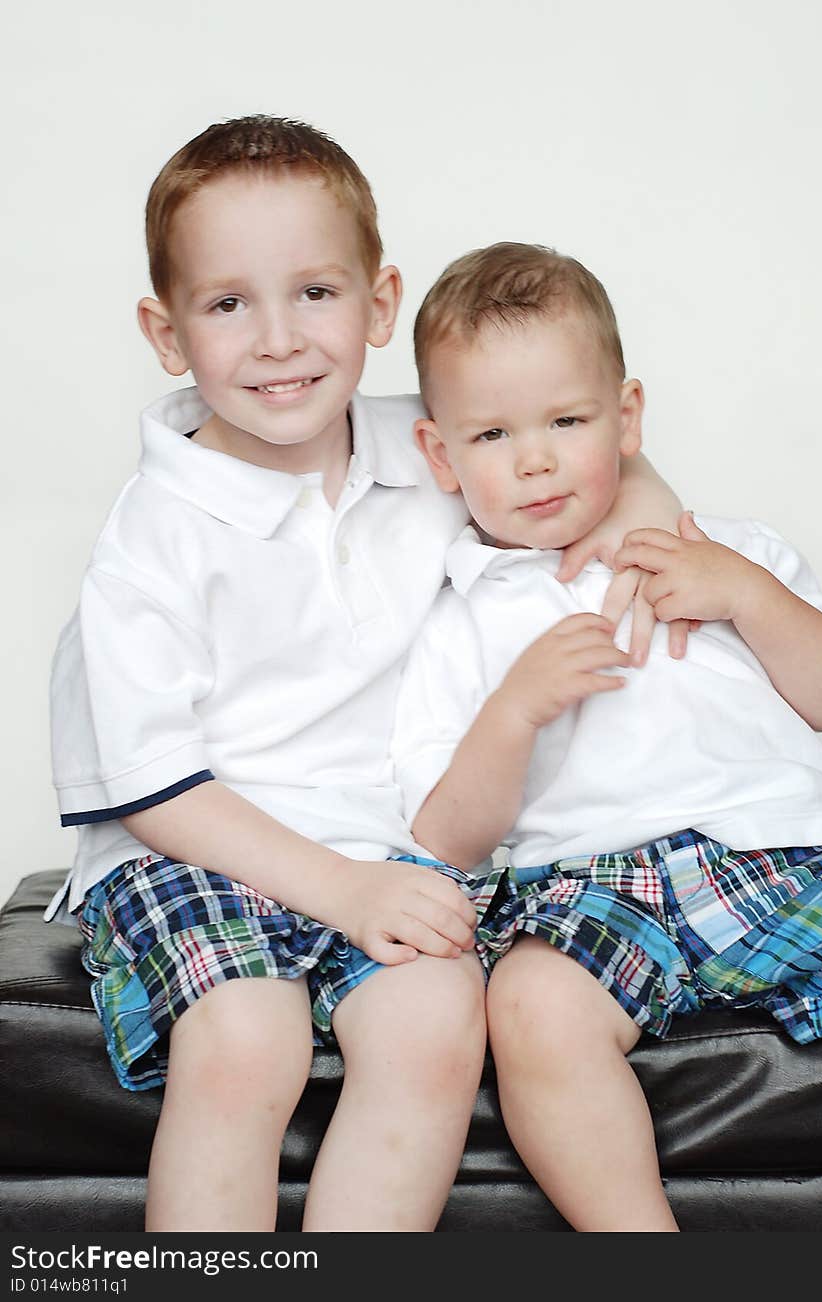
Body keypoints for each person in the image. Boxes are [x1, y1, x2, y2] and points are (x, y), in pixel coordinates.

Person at [48, 119, 681, 1233]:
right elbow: (154, 790)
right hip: (198, 838)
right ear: (165, 330)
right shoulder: (153, 535)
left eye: (317, 293)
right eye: (229, 303)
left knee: (438, 1023)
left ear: (380, 306)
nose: (280, 339)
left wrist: (655, 531)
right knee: (247, 1036)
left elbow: (589, 464)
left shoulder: (433, 454)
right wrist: (339, 892)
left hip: (381, 841)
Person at [392, 241, 822, 1232]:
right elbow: (446, 837)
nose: (533, 459)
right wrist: (513, 711)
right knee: (531, 1006)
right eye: (490, 434)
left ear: (627, 418)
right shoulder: (460, 616)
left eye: (567, 421)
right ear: (440, 455)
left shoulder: (721, 544)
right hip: (598, 887)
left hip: (784, 849)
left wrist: (745, 591)